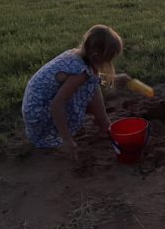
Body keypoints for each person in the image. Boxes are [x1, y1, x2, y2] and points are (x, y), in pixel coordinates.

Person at [22, 25, 129, 160]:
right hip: (40, 118)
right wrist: (67, 140)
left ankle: (105, 126)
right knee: (91, 86)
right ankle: (105, 126)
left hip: (34, 109)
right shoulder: (81, 73)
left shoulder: (75, 55)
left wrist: (115, 79)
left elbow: (91, 77)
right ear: (96, 55)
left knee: (90, 83)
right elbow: (56, 105)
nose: (110, 62)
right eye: (109, 59)